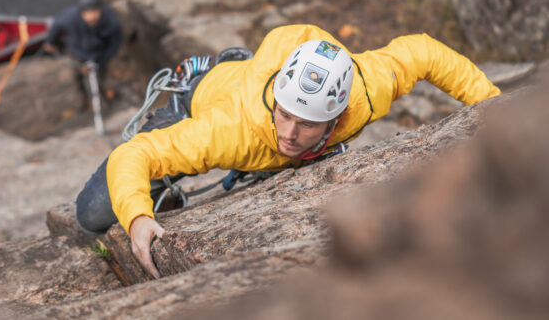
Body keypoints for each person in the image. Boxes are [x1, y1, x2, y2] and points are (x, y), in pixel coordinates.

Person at [74, 24, 500, 278]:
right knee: (92, 213)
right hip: (200, 100)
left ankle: (235, 62)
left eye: (308, 124)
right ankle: (212, 68)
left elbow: (425, 52)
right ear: (277, 100)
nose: (290, 135)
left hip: (249, 82)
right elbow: (134, 154)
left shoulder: (366, 88)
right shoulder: (229, 130)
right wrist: (138, 217)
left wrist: (495, 106)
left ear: (337, 118)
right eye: (285, 115)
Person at [43, 0, 123, 102]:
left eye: (95, 11)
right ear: (81, 12)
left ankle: (103, 95)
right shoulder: (69, 17)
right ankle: (83, 98)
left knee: (101, 78)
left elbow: (116, 42)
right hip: (77, 54)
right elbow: (56, 25)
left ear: (101, 8)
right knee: (77, 78)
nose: (92, 16)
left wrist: (100, 61)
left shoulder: (111, 20)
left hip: (99, 55)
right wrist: (51, 42)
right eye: (87, 12)